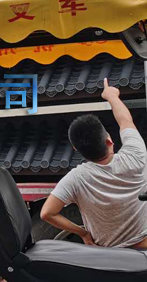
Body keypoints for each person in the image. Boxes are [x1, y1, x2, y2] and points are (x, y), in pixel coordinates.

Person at [41, 78, 147, 249]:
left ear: (75, 149)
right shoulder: (136, 155)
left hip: (108, 255)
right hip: (143, 249)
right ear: (109, 141)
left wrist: (83, 233)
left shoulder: (76, 178)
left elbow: (47, 213)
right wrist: (112, 96)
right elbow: (125, 121)